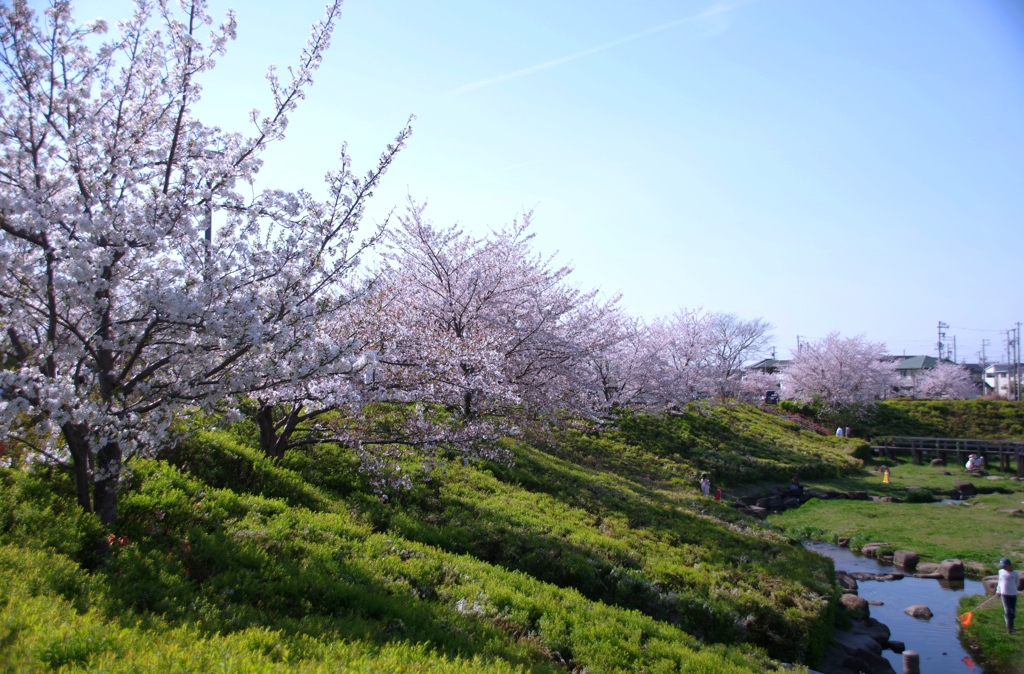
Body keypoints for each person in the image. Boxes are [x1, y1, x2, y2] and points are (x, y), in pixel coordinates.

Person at [996, 558, 1019, 633]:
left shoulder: (1015, 574)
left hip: (1013, 594)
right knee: (1008, 610)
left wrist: (1013, 588)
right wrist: (998, 591)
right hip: (1004, 594)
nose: (1003, 568)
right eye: (1002, 566)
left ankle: (1011, 624)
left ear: (1009, 565)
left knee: (1012, 611)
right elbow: (999, 582)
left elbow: (1017, 583)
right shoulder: (1001, 572)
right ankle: (1010, 627)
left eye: (1005, 566)